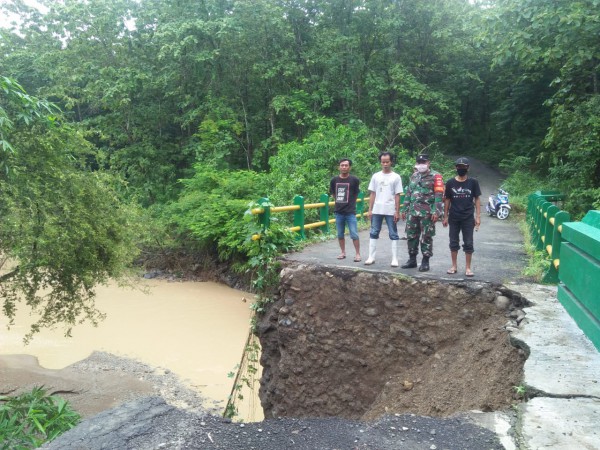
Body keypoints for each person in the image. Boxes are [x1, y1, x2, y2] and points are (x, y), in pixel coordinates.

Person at [400, 153, 444, 271]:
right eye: (419, 163)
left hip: (427, 213)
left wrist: (436, 211)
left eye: (423, 162)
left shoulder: (436, 176)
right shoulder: (414, 175)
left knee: (426, 237)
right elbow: (409, 193)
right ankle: (412, 259)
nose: (421, 165)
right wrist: (404, 209)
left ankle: (425, 261)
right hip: (412, 212)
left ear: (428, 163)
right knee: (411, 236)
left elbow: (439, 195)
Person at [442, 157, 481, 277]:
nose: (461, 169)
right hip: (454, 216)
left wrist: (478, 216)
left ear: (468, 168)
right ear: (456, 167)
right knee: (453, 242)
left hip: (468, 217)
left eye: (464, 167)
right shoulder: (450, 183)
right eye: (459, 166)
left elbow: (477, 199)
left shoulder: (473, 182)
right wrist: (445, 216)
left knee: (468, 242)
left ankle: (468, 268)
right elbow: (447, 200)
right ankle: (454, 266)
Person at [364, 152, 403, 266]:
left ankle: (395, 259)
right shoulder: (376, 176)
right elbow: (372, 193)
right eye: (383, 162)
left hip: (390, 209)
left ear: (391, 162)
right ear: (380, 162)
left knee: (393, 233)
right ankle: (371, 256)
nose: (385, 164)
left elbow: (397, 195)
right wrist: (370, 209)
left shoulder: (396, 177)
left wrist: (397, 211)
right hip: (377, 209)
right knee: (374, 231)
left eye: (387, 162)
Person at [329, 158, 361, 262]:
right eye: (342, 165)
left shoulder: (354, 180)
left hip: (350, 212)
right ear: (339, 167)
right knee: (340, 234)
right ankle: (342, 252)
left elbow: (356, 193)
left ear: (349, 167)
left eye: (346, 165)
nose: (344, 167)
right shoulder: (334, 180)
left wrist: (351, 204)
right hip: (339, 212)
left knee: (354, 233)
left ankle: (357, 254)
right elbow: (334, 194)